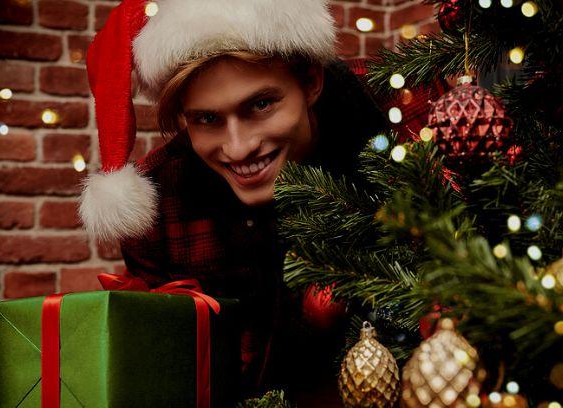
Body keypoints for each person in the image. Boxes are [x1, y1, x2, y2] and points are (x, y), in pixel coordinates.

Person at [79, 0, 387, 404]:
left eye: (260, 105)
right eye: (207, 119)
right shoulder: (158, 209)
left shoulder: (398, 114)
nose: (238, 149)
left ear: (311, 81)